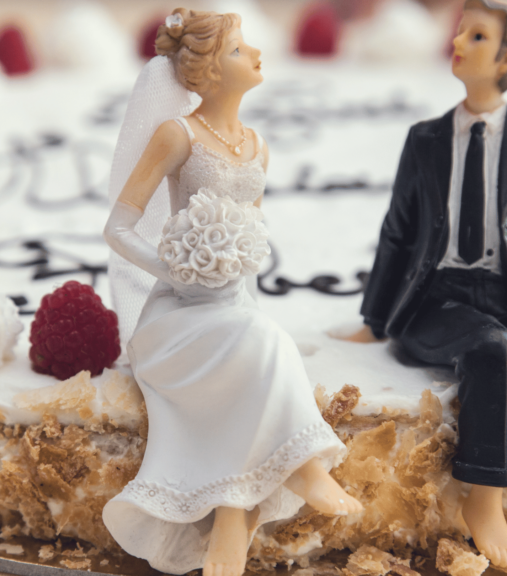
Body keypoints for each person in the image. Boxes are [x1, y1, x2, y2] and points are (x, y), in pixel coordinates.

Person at [340, 2, 507, 575]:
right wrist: (375, 319)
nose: (458, 40)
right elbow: (397, 230)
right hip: (435, 300)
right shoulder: (425, 139)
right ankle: (483, 500)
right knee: (492, 346)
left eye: (477, 34)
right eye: (461, 29)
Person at [101, 9, 362, 576]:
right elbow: (116, 229)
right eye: (241, 50)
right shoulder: (178, 135)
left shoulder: (258, 146)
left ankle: (229, 522)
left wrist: (237, 287)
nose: (258, 55)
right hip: (177, 317)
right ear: (210, 70)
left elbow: (252, 244)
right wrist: (177, 270)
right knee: (263, 343)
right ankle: (305, 469)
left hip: (235, 311)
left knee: (261, 341)